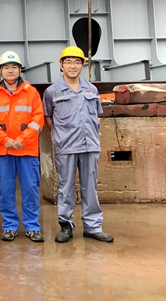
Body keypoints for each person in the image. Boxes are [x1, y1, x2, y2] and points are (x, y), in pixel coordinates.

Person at [43, 46, 114, 243]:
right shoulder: (52, 91)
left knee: (90, 186)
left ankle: (93, 226)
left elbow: (96, 115)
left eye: (76, 62)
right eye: (68, 62)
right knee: (65, 186)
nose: (72, 66)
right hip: (66, 146)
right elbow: (47, 117)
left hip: (90, 145)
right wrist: (59, 135)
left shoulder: (91, 90)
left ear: (82, 65)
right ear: (61, 65)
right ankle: (65, 225)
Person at [0, 51, 45, 242]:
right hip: (4, 151)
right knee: (6, 190)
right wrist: (5, 140)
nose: (10, 71)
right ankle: (9, 226)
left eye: (14, 67)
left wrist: (22, 139)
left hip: (27, 150)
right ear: (0, 71)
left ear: (20, 70)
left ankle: (32, 227)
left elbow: (38, 119)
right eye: (6, 68)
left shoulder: (31, 92)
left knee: (30, 189)